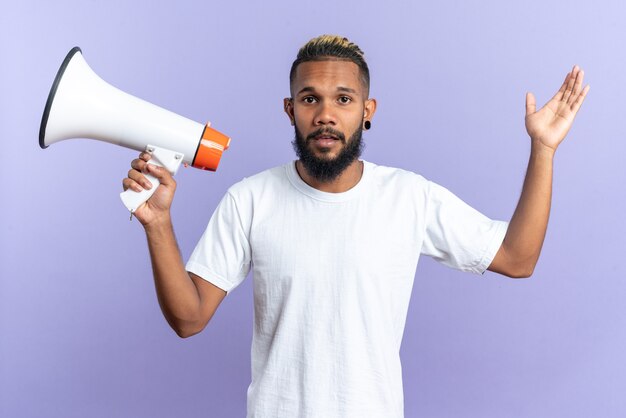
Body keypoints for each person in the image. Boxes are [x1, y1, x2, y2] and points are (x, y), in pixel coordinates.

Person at [122, 35, 589, 417]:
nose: (326, 114)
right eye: (311, 99)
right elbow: (188, 318)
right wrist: (158, 222)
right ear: (291, 109)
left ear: (367, 110)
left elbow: (518, 258)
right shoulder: (250, 199)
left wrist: (543, 150)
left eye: (343, 99)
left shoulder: (409, 197)